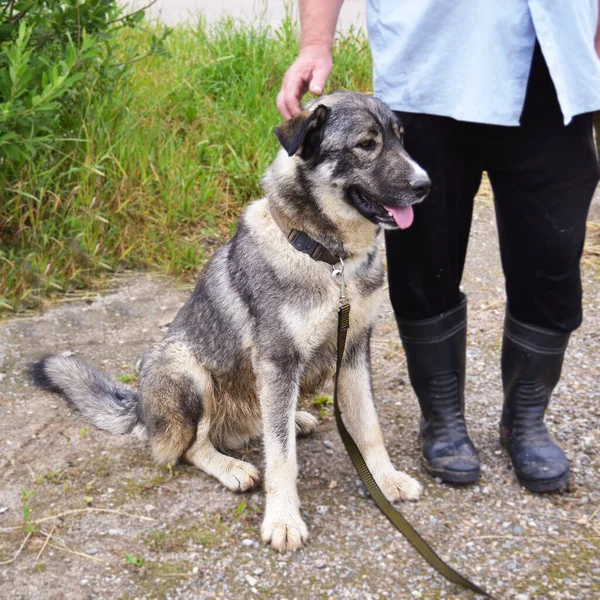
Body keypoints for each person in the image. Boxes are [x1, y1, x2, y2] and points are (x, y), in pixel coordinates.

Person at [277, 0, 600, 493]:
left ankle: (527, 418)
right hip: (431, 63)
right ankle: (442, 417)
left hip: (558, 68)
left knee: (552, 257)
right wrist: (316, 43)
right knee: (425, 258)